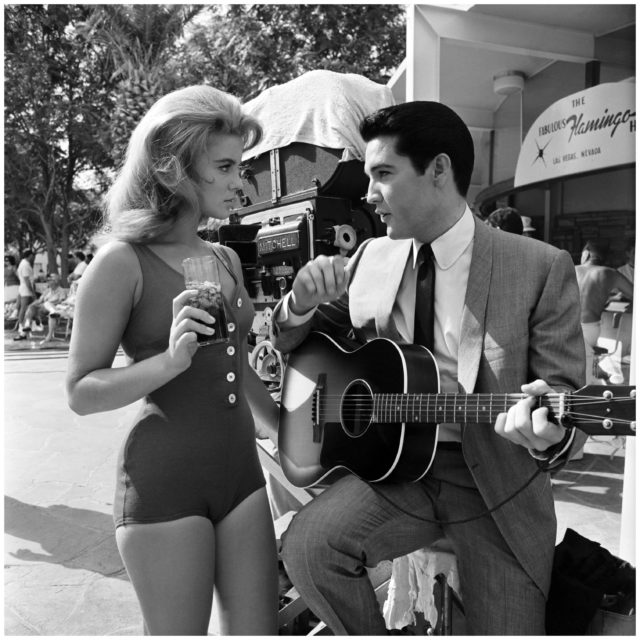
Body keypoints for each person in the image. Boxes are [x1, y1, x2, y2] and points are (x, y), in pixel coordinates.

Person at [271, 101, 586, 635]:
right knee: (308, 547)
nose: (368, 194)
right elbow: (302, 344)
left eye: (384, 174)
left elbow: (566, 405)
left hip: (498, 486)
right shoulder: (370, 256)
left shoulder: (538, 266)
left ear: (439, 170)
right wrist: (298, 304)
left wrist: (549, 433)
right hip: (395, 475)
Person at [65, 85, 279, 635]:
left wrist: (287, 430)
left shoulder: (226, 259)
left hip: (243, 478)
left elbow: (237, 364)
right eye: (227, 166)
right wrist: (168, 361)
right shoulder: (121, 262)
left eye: (241, 165)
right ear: (173, 170)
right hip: (164, 484)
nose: (241, 182)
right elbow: (81, 391)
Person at [575, 241, 633, 385]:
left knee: (575, 370)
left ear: (586, 254)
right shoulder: (610, 273)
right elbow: (635, 293)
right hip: (590, 330)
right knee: (585, 370)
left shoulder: (570, 269)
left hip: (567, 327)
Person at [20, 273, 67, 345]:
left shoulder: (61, 291)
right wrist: (31, 305)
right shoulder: (47, 291)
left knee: (47, 303)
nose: (48, 281)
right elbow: (39, 301)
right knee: (31, 307)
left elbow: (62, 301)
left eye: (51, 280)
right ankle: (26, 326)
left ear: (56, 281)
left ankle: (24, 333)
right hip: (41, 310)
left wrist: (52, 303)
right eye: (48, 280)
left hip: (52, 309)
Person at [14, 249, 36, 340]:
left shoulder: (24, 264)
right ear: (29, 255)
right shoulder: (25, 265)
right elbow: (27, 280)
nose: (33, 257)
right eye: (32, 256)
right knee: (23, 309)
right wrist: (32, 292)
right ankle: (20, 329)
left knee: (28, 309)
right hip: (26, 290)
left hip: (24, 289)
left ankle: (26, 329)